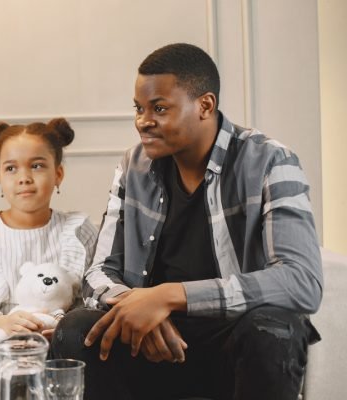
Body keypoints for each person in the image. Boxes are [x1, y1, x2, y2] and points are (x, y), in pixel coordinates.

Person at [51, 43, 323, 400]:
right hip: (150, 343)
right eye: (139, 109)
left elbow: (301, 280)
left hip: (233, 338)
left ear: (205, 106)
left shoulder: (270, 161)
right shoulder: (132, 167)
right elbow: (100, 270)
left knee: (272, 330)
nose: (143, 122)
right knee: (75, 329)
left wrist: (171, 296)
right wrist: (139, 306)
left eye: (159, 108)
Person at [0, 118, 98, 384]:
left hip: (60, 338)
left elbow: (88, 304)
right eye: (11, 168)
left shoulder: (77, 230)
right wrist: (1, 325)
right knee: (0, 361)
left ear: (58, 174)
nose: (24, 178)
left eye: (37, 165)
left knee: (70, 360)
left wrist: (57, 328)